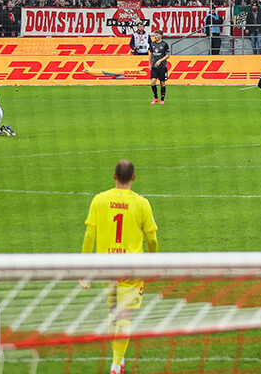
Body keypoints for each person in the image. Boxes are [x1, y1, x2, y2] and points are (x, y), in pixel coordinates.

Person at [82, 160, 159, 374]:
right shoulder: (142, 203)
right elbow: (152, 240)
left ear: (114, 176)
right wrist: (153, 261)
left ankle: (119, 359)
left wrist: (84, 270)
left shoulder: (100, 200)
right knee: (124, 316)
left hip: (107, 267)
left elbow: (90, 236)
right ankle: (116, 365)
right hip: (131, 269)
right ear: (133, 178)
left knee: (113, 312)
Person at [148, 30, 170, 104]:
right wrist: (149, 64)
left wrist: (160, 60)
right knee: (153, 82)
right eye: (155, 35)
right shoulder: (152, 44)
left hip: (162, 67)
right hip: (154, 67)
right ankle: (156, 98)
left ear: (161, 35)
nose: (155, 36)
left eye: (157, 35)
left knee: (162, 83)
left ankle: (162, 99)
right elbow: (151, 54)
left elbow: (168, 55)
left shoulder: (164, 44)